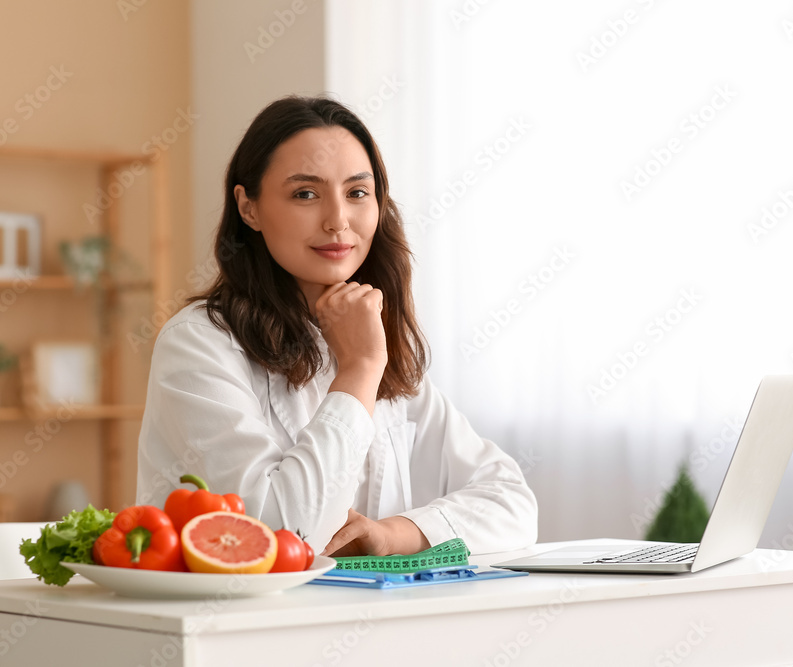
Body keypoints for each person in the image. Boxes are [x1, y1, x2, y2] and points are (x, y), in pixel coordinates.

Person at [136, 95, 537, 557]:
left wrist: (395, 534)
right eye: (305, 193)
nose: (338, 221)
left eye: (357, 193)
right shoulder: (198, 345)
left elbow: (513, 505)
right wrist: (359, 369)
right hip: (243, 625)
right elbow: (277, 533)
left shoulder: (376, 340)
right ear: (248, 207)